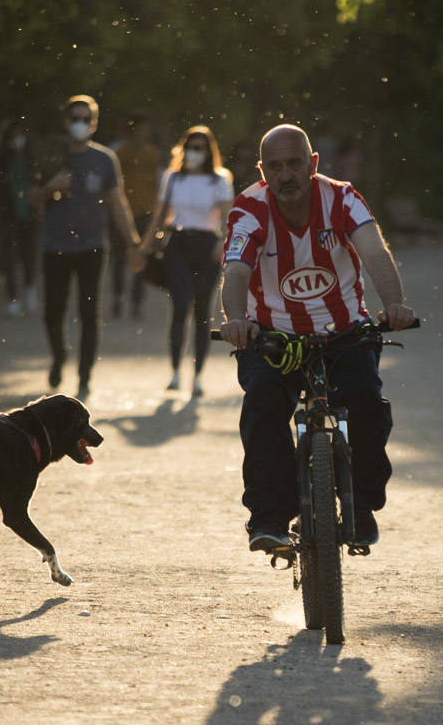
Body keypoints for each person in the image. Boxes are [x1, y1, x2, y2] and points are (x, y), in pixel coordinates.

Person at [218, 124, 416, 552]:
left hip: (344, 332)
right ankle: (270, 517)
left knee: (365, 401)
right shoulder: (249, 208)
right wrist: (235, 320)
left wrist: (395, 303)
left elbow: (375, 252)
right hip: (273, 339)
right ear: (262, 170)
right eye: (274, 166)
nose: (286, 175)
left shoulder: (342, 198)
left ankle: (360, 507)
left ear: (312, 164)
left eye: (294, 164)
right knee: (263, 407)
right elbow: (235, 271)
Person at [31, 95, 141, 399]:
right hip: (54, 246)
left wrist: (132, 242)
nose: (80, 124)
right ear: (67, 123)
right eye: (74, 118)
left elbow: (118, 204)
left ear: (94, 124)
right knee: (53, 310)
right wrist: (49, 188)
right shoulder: (51, 157)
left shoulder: (105, 159)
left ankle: (84, 377)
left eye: (86, 119)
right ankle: (58, 356)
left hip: (92, 246)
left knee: (89, 311)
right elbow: (30, 201)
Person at [133, 125, 234, 397]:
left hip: (207, 246)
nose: (193, 153)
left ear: (209, 151)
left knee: (202, 312)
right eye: (190, 146)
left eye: (199, 148)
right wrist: (142, 248)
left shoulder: (220, 179)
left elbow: (228, 218)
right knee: (180, 304)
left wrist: (223, 246)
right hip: (177, 244)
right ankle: (176, 371)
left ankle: (198, 375)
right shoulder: (173, 177)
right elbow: (160, 214)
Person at [0, 117, 40, 316]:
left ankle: (30, 287)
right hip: (8, 213)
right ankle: (12, 297)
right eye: (14, 135)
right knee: (10, 256)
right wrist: (1, 131)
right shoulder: (5, 158)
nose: (17, 138)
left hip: (30, 212)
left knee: (30, 254)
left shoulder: (31, 159)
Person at [110, 113, 160, 319]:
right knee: (118, 259)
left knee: (141, 258)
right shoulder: (118, 153)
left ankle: (136, 302)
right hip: (122, 213)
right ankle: (118, 297)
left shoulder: (153, 155)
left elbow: (158, 184)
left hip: (145, 214)